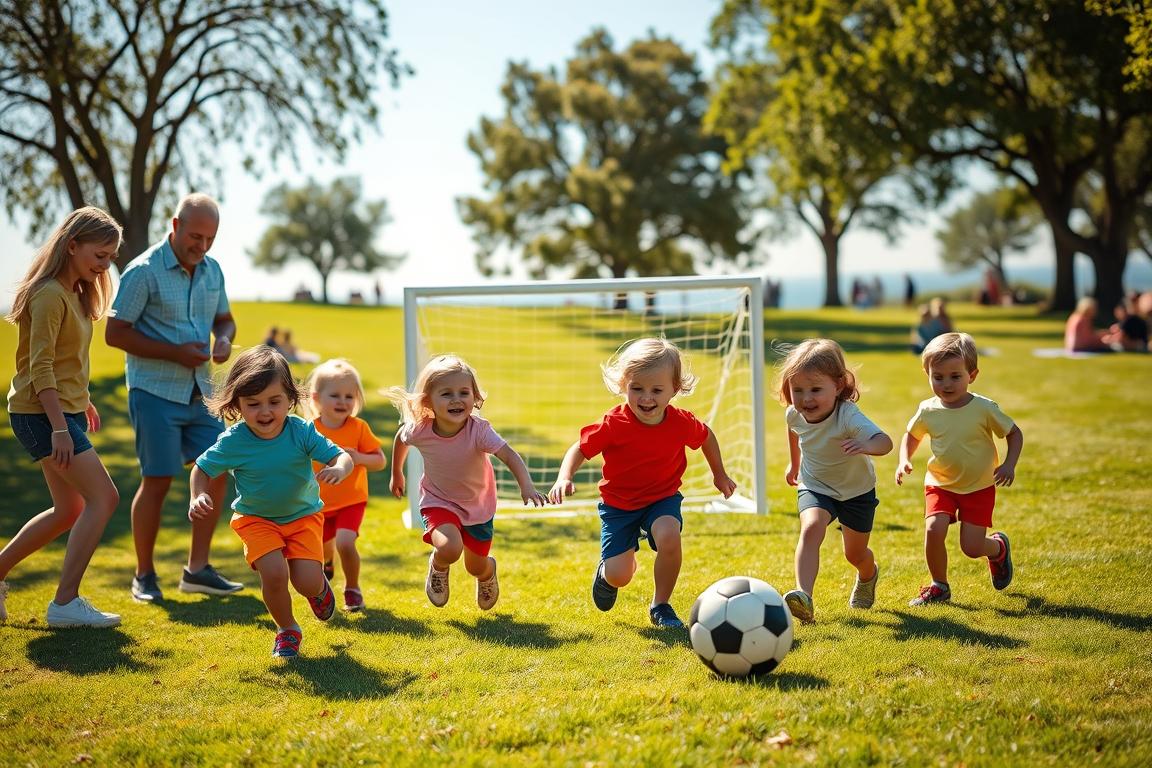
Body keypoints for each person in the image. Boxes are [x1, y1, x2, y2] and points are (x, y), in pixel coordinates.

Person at [105, 193, 244, 602]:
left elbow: (225, 320)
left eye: (209, 239)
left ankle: (197, 569)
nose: (201, 247)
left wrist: (223, 340)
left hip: (203, 392)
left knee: (217, 471)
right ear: (175, 225)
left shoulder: (213, 270)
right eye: (195, 236)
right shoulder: (142, 271)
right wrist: (175, 352)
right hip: (153, 391)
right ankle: (144, 575)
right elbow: (116, 334)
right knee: (158, 480)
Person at [548, 338, 737, 628]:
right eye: (637, 388)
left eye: (656, 390)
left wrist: (719, 474)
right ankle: (608, 574)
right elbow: (580, 448)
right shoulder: (614, 424)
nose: (646, 398)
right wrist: (565, 477)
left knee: (669, 535)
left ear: (674, 390)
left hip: (662, 498)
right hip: (619, 506)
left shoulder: (681, 422)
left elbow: (707, 437)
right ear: (624, 385)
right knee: (619, 575)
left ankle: (661, 605)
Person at [0, 207, 123, 628]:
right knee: (104, 498)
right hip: (39, 415)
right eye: (100, 255)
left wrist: (81, 401)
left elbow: (70, 362)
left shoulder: (74, 292)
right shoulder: (50, 294)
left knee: (68, 509)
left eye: (110, 257)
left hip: (60, 409)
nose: (105, 265)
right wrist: (58, 426)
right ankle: (65, 603)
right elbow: (41, 368)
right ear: (72, 246)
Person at [189, 345, 353, 658]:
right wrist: (199, 495)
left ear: (290, 399)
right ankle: (287, 629)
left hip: (303, 517)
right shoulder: (235, 441)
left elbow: (341, 455)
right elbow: (202, 468)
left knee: (306, 581)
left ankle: (318, 590)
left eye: (274, 402)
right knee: (275, 574)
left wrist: (339, 468)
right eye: (254, 404)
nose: (265, 412)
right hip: (256, 520)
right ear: (237, 404)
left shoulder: (301, 431)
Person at [387, 355, 545, 611]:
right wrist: (397, 473)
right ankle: (438, 567)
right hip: (438, 500)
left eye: (464, 392)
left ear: (475, 397)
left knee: (475, 566)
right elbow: (401, 439)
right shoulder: (420, 429)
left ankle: (487, 573)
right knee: (450, 548)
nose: (457, 399)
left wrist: (526, 486)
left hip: (478, 507)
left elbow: (509, 455)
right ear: (428, 401)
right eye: (446, 394)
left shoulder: (479, 431)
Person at [895, 332, 1023, 606]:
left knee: (972, 548)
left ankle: (998, 548)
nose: (946, 384)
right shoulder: (928, 410)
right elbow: (912, 435)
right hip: (940, 483)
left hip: (978, 485)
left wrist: (1009, 464)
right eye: (937, 377)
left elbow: (1014, 433)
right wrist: (904, 459)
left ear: (972, 375)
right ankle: (939, 586)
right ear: (927, 374)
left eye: (955, 376)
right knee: (933, 529)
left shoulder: (984, 408)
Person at [774, 339, 893, 625]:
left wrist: (865, 445)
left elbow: (884, 442)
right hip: (815, 484)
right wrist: (795, 463)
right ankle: (804, 597)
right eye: (797, 390)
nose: (806, 399)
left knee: (855, 553)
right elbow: (794, 430)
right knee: (812, 527)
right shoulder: (794, 413)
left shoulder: (847, 415)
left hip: (856, 491)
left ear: (838, 386)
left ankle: (868, 574)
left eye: (816, 390)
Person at [306, 359, 386, 612]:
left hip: (352, 500)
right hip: (318, 503)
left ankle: (352, 588)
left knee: (345, 542)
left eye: (349, 396)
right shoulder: (309, 430)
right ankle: (327, 563)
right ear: (316, 398)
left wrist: (359, 458)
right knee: (321, 549)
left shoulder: (359, 428)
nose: (343, 402)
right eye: (335, 395)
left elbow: (380, 461)